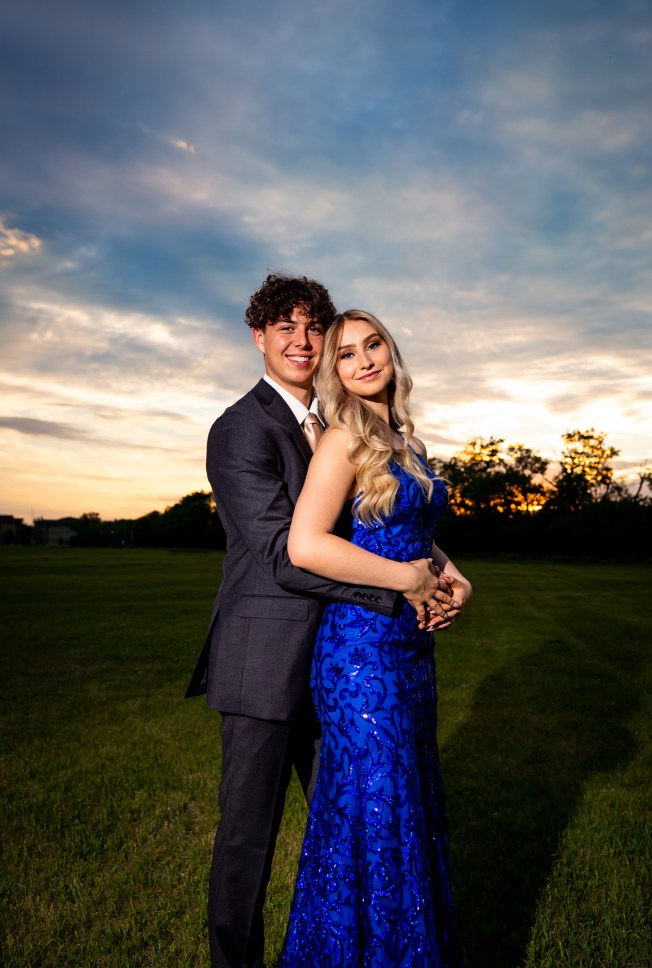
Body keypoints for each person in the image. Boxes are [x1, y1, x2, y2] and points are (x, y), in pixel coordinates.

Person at [185, 275, 458, 968]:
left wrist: (438, 569)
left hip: (343, 659)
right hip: (269, 662)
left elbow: (371, 520)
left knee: (353, 824)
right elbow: (285, 552)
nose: (301, 342)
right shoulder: (241, 429)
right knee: (248, 838)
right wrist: (399, 588)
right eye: (286, 328)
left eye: (314, 329)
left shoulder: (348, 424)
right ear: (259, 337)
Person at [279, 309, 472, 968]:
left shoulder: (405, 442)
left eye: (373, 345)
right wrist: (407, 579)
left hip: (410, 651)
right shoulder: (341, 440)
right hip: (361, 656)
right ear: (333, 372)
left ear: (391, 350)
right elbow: (306, 545)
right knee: (375, 810)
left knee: (407, 802)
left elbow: (410, 531)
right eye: (345, 353)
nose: (364, 361)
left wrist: (452, 576)